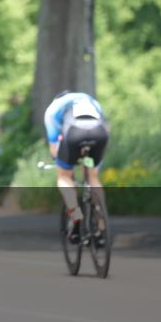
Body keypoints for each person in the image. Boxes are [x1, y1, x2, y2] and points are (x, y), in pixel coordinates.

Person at [43, 91, 110, 245]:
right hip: (99, 134)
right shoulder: (90, 100)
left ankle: (75, 214)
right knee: (93, 177)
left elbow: (54, 149)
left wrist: (64, 163)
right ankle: (101, 224)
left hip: (74, 133)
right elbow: (105, 125)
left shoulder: (53, 109)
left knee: (64, 177)